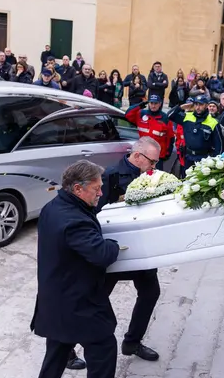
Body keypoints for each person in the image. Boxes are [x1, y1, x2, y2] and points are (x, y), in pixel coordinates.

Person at [65, 138, 164, 369]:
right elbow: (92, 213)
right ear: (138, 156)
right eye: (152, 161)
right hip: (110, 250)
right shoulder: (110, 176)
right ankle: (66, 348)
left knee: (151, 292)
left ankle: (132, 342)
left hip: (140, 249)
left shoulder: (153, 176)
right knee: (93, 301)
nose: (154, 167)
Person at [32, 160, 120, 378]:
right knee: (103, 346)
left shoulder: (53, 207)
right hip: (78, 303)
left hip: (55, 299)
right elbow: (101, 254)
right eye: (97, 188)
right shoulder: (74, 221)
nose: (101, 193)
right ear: (78, 188)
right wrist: (114, 245)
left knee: (58, 351)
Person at [167, 94, 222, 166]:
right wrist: (181, 107)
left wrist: (214, 161)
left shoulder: (213, 122)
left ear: (206, 105)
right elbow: (169, 116)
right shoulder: (187, 116)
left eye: (201, 105)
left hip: (204, 158)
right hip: (188, 156)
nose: (198, 107)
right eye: (196, 104)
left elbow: (219, 145)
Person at [124, 94, 174, 170]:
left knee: (156, 180)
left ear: (160, 104)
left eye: (156, 103)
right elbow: (128, 114)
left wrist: (167, 154)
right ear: (148, 103)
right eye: (151, 103)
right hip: (142, 155)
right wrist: (140, 105)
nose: (153, 106)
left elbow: (170, 137)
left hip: (157, 157)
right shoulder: (141, 114)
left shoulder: (165, 118)